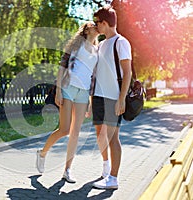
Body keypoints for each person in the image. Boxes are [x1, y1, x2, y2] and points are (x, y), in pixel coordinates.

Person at [36, 22, 99, 183]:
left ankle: (67, 170)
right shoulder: (77, 45)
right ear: (87, 29)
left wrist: (90, 101)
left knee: (75, 132)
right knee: (64, 129)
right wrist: (58, 90)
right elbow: (62, 67)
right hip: (68, 88)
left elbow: (93, 78)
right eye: (94, 25)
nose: (97, 27)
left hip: (83, 93)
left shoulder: (97, 51)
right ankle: (42, 153)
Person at [91, 5, 132, 189]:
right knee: (100, 135)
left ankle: (113, 179)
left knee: (113, 138)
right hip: (99, 96)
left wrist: (121, 98)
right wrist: (92, 100)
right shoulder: (100, 44)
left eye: (97, 23)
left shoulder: (121, 42)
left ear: (105, 23)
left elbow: (127, 72)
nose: (95, 26)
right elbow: (96, 73)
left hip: (113, 98)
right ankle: (106, 169)